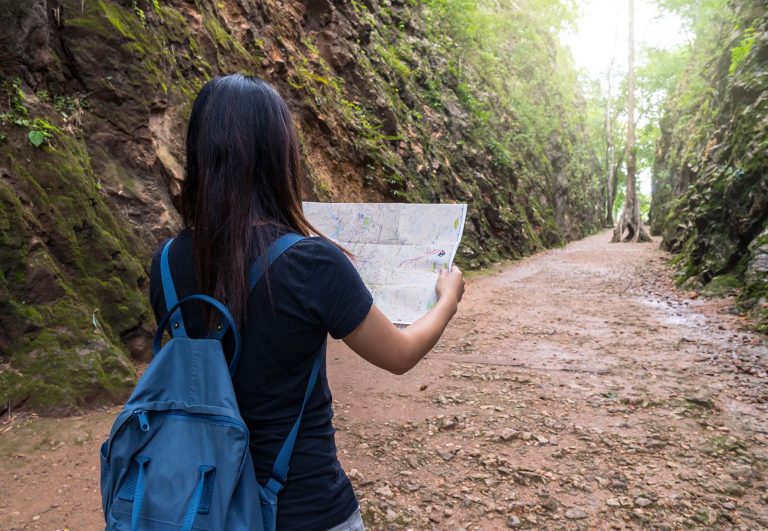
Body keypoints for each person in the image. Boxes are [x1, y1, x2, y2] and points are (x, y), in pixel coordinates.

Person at [148, 73, 464, 531]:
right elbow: (400, 354)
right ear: (280, 156)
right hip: (306, 508)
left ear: (199, 153)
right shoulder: (312, 262)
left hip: (201, 505)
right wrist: (446, 301)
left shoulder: (166, 262)